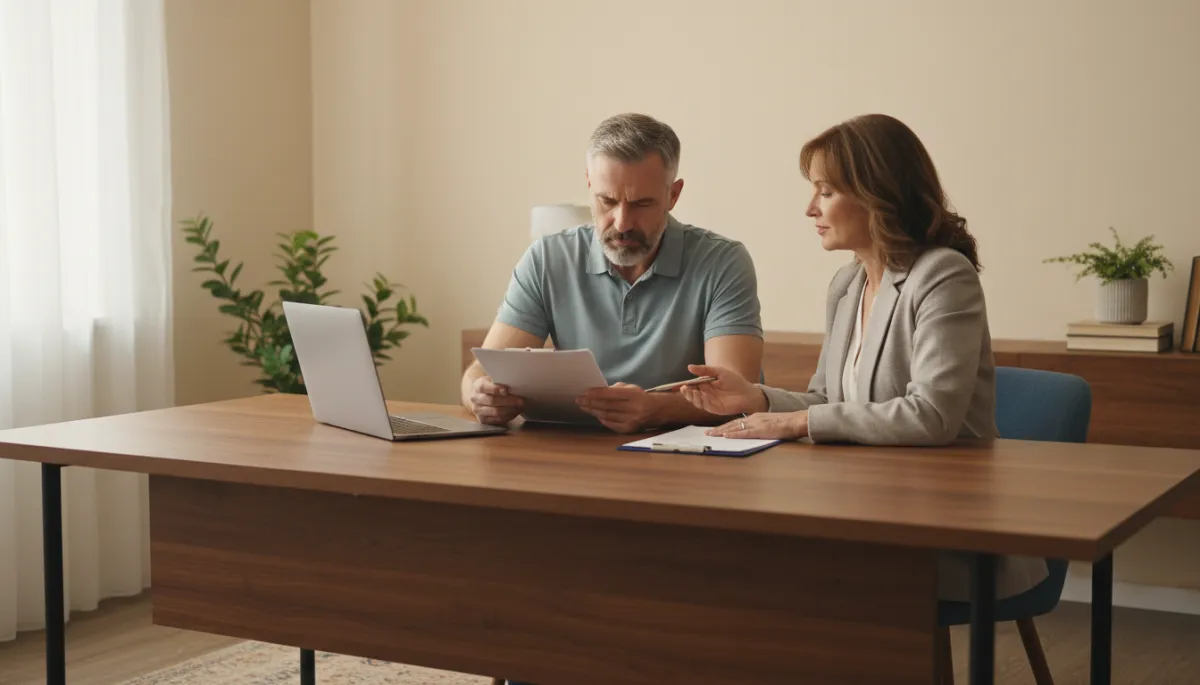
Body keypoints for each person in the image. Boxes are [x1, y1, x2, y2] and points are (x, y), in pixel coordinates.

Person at [679, 113, 1047, 601]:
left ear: (877, 195)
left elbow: (933, 416)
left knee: (787, 577)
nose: (811, 209)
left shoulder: (943, 276)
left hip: (945, 524)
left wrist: (792, 424)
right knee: (738, 563)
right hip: (867, 505)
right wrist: (758, 399)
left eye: (826, 191)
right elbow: (827, 399)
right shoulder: (847, 284)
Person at [461, 113, 764, 434]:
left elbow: (736, 394)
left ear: (673, 195)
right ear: (589, 184)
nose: (622, 223)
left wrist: (655, 410)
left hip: (681, 461)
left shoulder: (722, 262)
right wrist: (479, 395)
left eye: (642, 204)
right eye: (607, 201)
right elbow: (480, 371)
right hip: (567, 453)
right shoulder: (547, 258)